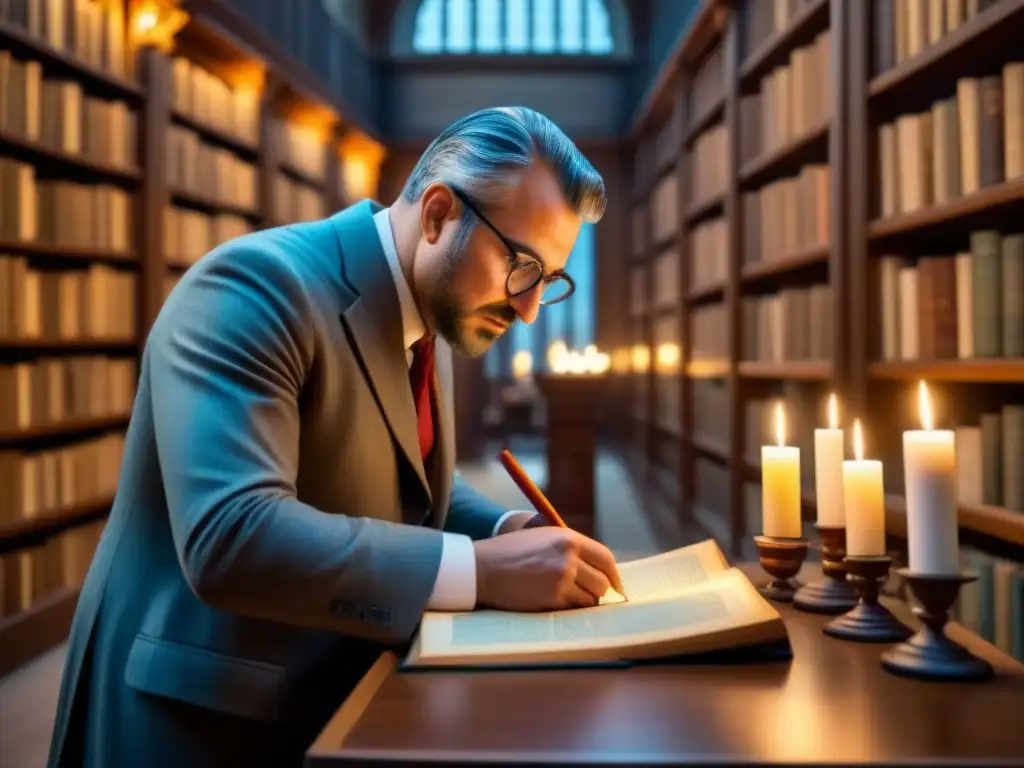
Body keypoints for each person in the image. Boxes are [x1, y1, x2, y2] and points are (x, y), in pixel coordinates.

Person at [46, 106, 624, 767]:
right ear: (438, 214)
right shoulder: (253, 288)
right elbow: (232, 535)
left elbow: (402, 471)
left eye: (548, 281)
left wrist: (504, 531)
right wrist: (479, 570)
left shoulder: (428, 306)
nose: (527, 308)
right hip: (204, 725)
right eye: (521, 265)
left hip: (334, 698)